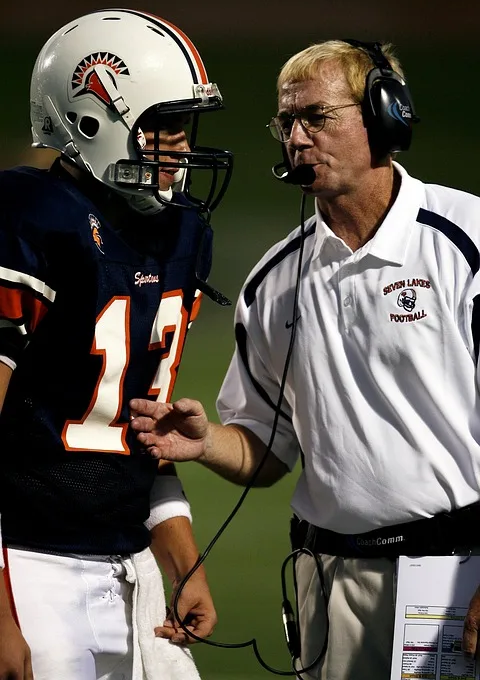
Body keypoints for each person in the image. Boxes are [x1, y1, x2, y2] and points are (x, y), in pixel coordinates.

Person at [130, 38, 480, 680]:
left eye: (316, 117)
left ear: (383, 116)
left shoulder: (468, 241)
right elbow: (269, 452)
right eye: (285, 121)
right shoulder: (272, 281)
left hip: (455, 574)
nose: (294, 136)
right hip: (328, 583)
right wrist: (208, 443)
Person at [0, 8, 233, 680]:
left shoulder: (182, 235)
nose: (182, 146)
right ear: (93, 122)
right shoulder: (32, 222)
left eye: (186, 126)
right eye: (162, 124)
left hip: (133, 567)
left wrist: (181, 558)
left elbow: (135, 427)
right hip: (30, 567)